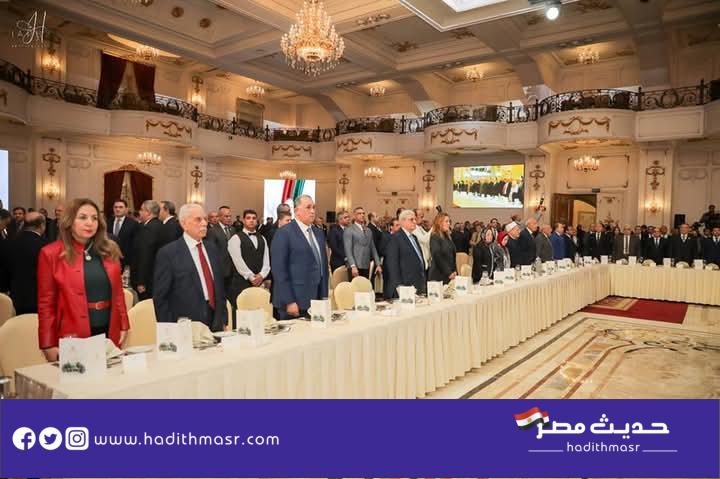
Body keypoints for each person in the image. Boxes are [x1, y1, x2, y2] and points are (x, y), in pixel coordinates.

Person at [37, 198, 129, 361]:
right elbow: (46, 303)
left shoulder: (109, 250)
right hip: (72, 332)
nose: (90, 223)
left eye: (94, 218)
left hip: (108, 330)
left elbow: (118, 293)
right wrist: (47, 343)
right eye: (83, 217)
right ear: (69, 221)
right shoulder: (51, 253)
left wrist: (123, 324)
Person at [153, 204, 226, 332]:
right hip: (185, 325)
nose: (204, 223)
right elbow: (161, 298)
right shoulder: (168, 253)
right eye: (198, 219)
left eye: (205, 219)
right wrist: (169, 331)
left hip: (215, 321)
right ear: (184, 224)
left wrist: (223, 318)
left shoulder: (212, 249)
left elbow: (219, 286)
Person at [271, 195, 328, 320]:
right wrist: (289, 301)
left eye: (314, 207)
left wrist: (324, 295)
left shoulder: (318, 233)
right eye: (308, 207)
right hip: (294, 301)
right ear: (297, 211)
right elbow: (279, 271)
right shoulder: (284, 233)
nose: (312, 211)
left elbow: (322, 266)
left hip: (316, 299)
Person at [228, 209, 271, 304]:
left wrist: (262, 275)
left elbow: (266, 260)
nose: (251, 220)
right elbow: (238, 262)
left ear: (257, 221)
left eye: (254, 218)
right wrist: (251, 277)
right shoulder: (235, 238)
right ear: (243, 220)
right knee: (242, 311)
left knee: (260, 310)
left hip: (260, 283)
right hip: (241, 283)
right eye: (248, 218)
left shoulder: (262, 238)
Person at [9, 212, 48, 314]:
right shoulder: (45, 246)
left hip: (15, 296)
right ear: (42, 225)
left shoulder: (10, 242)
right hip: (38, 298)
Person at [384, 209, 427, 298]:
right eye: (411, 219)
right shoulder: (395, 238)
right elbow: (392, 264)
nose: (415, 222)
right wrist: (399, 286)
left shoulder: (414, 237)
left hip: (418, 283)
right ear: (402, 222)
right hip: (405, 285)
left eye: (415, 219)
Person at [130, 200, 163, 300]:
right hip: (156, 276)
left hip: (148, 279)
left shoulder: (148, 229)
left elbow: (145, 256)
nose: (139, 212)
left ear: (148, 212)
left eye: (141, 209)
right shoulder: (160, 225)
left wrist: (141, 282)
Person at [343, 206, 381, 281]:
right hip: (355, 266)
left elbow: (373, 248)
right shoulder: (349, 230)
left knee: (364, 287)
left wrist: (378, 264)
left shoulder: (368, 230)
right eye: (359, 213)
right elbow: (348, 250)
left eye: (363, 213)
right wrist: (353, 266)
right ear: (354, 216)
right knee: (354, 287)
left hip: (366, 265)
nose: (362, 215)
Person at [428, 212, 457, 284]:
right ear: (439, 223)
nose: (449, 223)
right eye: (446, 221)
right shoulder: (435, 236)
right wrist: (448, 272)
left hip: (449, 274)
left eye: (449, 221)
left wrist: (454, 271)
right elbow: (437, 256)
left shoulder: (447, 236)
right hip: (438, 276)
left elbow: (452, 256)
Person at [109, 199, 138, 269]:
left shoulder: (133, 224)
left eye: (121, 207)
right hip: (110, 259)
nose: (117, 209)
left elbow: (135, 245)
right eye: (115, 207)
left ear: (126, 209)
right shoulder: (107, 222)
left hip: (126, 261)